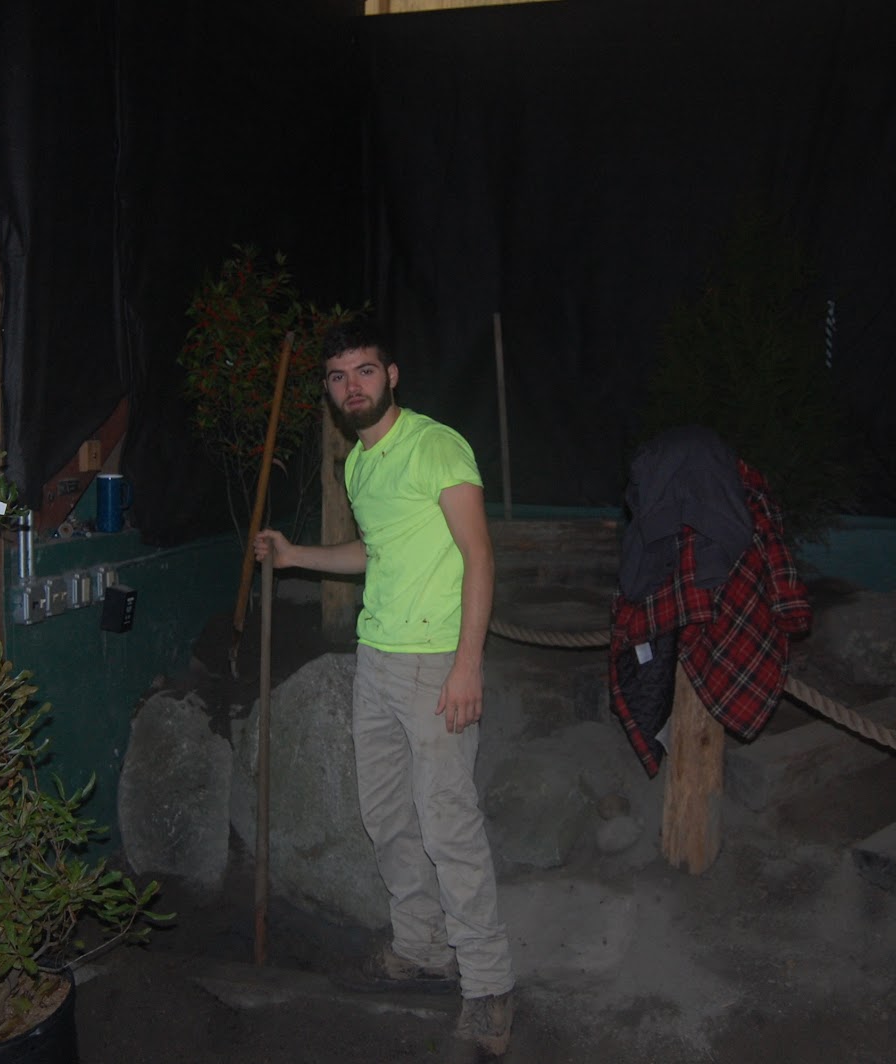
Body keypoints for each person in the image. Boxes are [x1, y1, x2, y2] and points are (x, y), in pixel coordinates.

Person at [254, 319, 515, 1058]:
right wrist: (296, 554)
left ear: (391, 375)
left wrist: (468, 664)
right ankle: (421, 947)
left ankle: (489, 986)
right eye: (338, 377)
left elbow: (478, 556)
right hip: (376, 659)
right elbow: (375, 552)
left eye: (365, 371)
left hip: (435, 664)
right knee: (389, 817)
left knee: (448, 823)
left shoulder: (436, 446)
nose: (352, 387)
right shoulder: (361, 466)